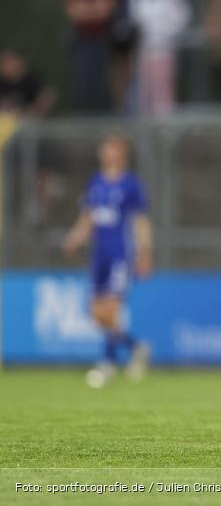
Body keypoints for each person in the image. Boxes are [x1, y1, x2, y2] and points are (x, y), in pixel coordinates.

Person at [63, 135, 153, 388]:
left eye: (114, 149)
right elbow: (88, 217)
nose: (108, 153)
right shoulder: (95, 182)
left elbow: (140, 221)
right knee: (96, 312)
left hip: (121, 254)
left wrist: (145, 253)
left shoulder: (130, 184)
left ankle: (107, 362)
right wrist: (75, 238)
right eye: (106, 148)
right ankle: (136, 347)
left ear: (122, 153)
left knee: (111, 308)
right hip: (99, 254)